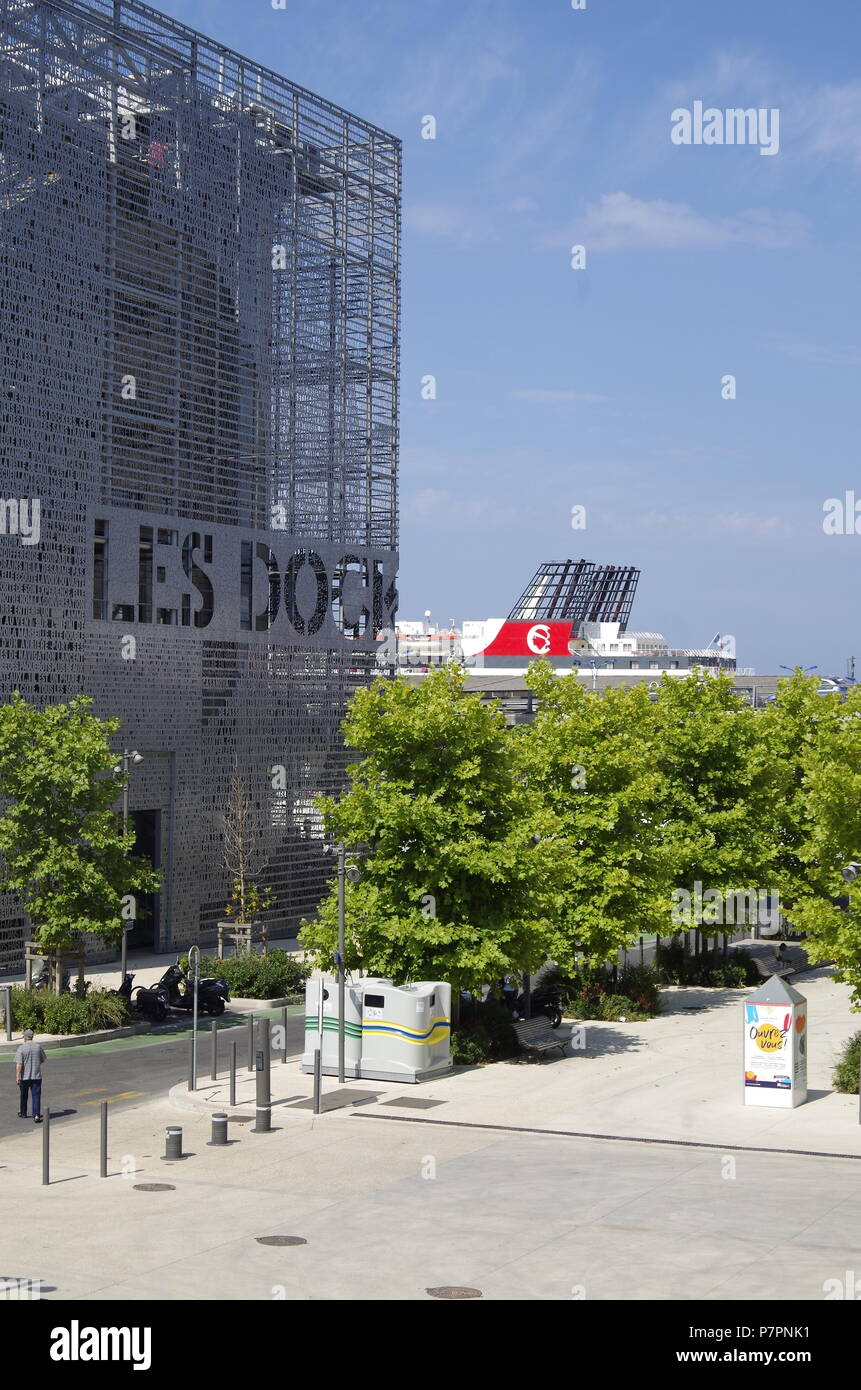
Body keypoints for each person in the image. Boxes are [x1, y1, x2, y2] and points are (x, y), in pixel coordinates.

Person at [15, 1028, 46, 1123]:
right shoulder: (38, 1047)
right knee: (36, 1095)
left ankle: (23, 1113)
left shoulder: (21, 1048)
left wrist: (17, 1076)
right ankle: (36, 1115)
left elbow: (19, 1064)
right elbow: (43, 1059)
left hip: (24, 1077)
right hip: (36, 1076)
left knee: (24, 1095)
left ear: (25, 1037)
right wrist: (37, 1064)